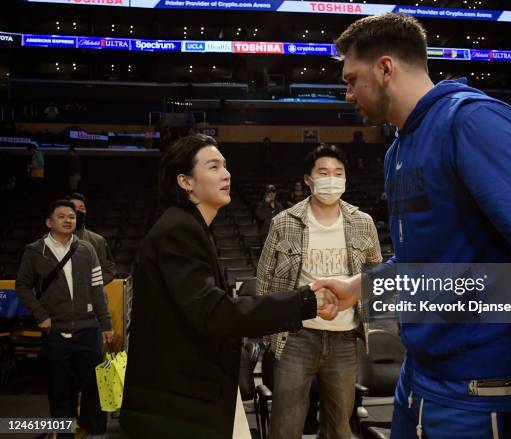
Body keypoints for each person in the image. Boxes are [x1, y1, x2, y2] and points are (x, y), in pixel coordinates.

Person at [313, 13, 511, 439]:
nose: (347, 94)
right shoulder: (397, 148)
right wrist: (360, 287)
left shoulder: (474, 121)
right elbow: (425, 261)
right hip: (418, 381)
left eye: (352, 79)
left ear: (385, 68)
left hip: (488, 395)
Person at [120, 134, 339, 439]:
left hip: (192, 395)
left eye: (226, 165)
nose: (226, 174)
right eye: (213, 167)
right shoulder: (178, 229)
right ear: (185, 181)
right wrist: (305, 301)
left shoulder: (190, 226)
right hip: (178, 404)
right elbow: (215, 313)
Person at [257, 144, 382, 439]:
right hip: (297, 337)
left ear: (346, 179)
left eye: (338, 173)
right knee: (285, 427)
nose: (331, 178)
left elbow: (377, 278)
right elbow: (264, 281)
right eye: (323, 172)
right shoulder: (284, 222)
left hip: (344, 339)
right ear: (309, 179)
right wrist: (270, 336)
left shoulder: (363, 223)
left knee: (340, 427)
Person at [15, 199, 113, 438]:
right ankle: (64, 433)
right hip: (55, 331)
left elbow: (97, 288)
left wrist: (106, 323)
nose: (69, 220)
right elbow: (23, 286)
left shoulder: (87, 249)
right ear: (49, 222)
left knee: (93, 387)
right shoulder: (34, 251)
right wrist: (41, 315)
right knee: (59, 389)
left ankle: (95, 430)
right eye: (62, 216)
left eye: (72, 216)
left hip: (89, 328)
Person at [67, 192, 116, 286]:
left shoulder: (98, 240)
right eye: (73, 208)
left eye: (81, 208)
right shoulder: (50, 241)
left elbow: (108, 271)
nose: (77, 211)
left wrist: (90, 286)